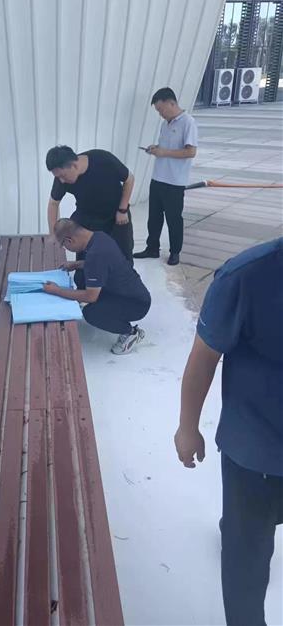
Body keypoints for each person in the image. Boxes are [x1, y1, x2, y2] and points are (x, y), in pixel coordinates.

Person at [174, 238, 283, 626]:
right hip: (255, 451)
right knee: (247, 558)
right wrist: (188, 427)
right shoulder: (245, 276)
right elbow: (204, 357)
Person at [43, 219, 151, 355]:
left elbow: (90, 297)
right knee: (81, 277)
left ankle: (130, 333)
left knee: (91, 313)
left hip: (135, 304)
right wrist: (76, 264)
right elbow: (100, 263)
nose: (65, 248)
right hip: (128, 292)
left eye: (63, 245)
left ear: (70, 240)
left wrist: (56, 290)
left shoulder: (96, 255)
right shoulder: (99, 237)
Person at [134, 87, 198, 266]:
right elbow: (166, 148)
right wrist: (155, 149)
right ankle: (152, 248)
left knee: (173, 219)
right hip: (158, 178)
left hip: (175, 181)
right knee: (154, 217)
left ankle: (175, 252)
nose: (160, 114)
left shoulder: (188, 122)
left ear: (171, 103)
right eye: (158, 111)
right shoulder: (165, 124)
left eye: (161, 109)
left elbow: (191, 152)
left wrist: (164, 152)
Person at [46, 145, 135, 264]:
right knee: (86, 263)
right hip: (87, 216)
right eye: (57, 177)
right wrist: (54, 234)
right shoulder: (61, 177)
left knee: (122, 259)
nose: (61, 180)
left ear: (74, 165)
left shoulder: (103, 160)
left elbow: (129, 179)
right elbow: (53, 203)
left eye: (62, 176)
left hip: (116, 214)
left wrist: (122, 210)